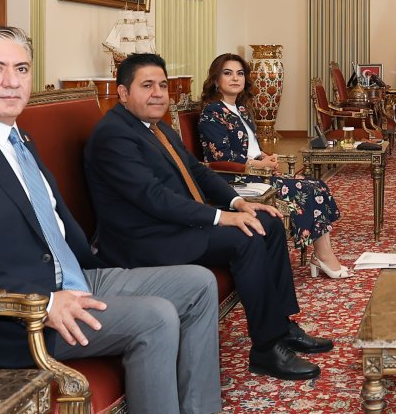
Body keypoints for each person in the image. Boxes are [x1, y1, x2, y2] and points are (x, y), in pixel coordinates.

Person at [0, 26, 222, 414]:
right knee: (155, 317)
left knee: (198, 282)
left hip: (76, 277)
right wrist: (45, 300)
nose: (12, 82)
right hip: (16, 313)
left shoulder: (19, 139)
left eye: (21, 69)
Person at [84, 53, 333, 381]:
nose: (158, 93)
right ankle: (266, 349)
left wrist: (237, 202)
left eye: (162, 85)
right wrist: (221, 217)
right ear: (123, 92)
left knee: (267, 223)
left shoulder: (155, 128)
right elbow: (154, 199)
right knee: (245, 238)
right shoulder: (114, 136)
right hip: (144, 240)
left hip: (172, 226)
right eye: (147, 86)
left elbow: (196, 172)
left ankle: (281, 326)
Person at [198, 52, 348, 279]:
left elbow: (251, 149)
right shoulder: (213, 113)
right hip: (234, 179)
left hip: (256, 174)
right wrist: (258, 165)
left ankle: (322, 253)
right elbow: (219, 157)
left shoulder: (242, 110)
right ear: (216, 80)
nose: (235, 78)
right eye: (227, 73)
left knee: (317, 185)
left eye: (240, 73)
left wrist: (267, 158)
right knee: (308, 190)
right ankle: (323, 256)